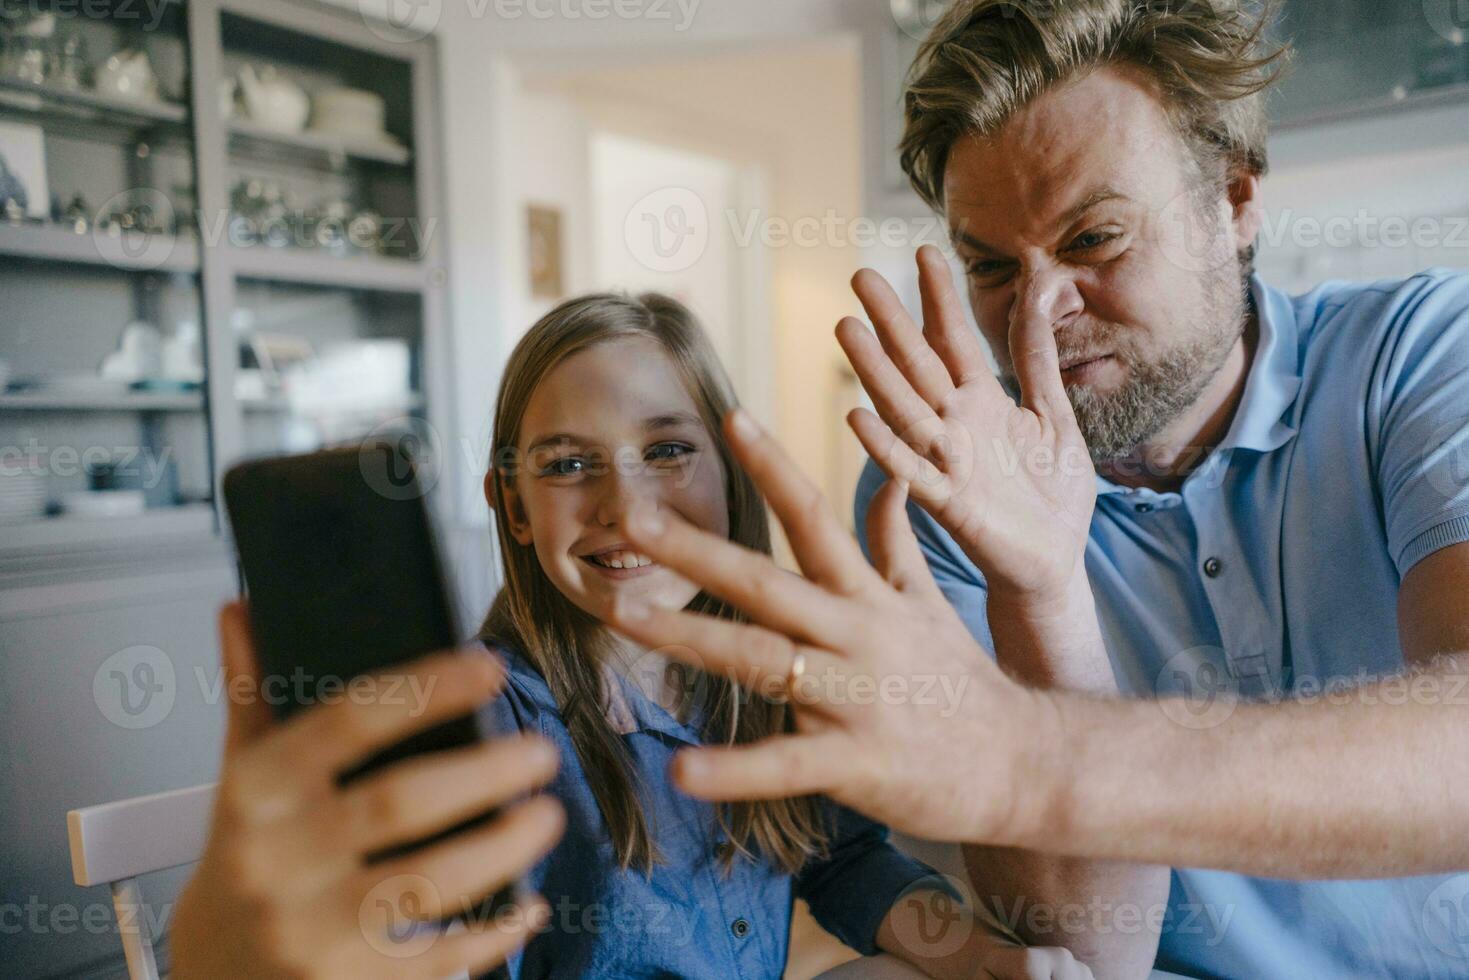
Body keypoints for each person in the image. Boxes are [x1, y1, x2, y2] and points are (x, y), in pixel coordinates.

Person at [601, 1, 1469, 978]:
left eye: (1093, 237)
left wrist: (1034, 756)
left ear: (1230, 201)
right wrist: (1039, 585)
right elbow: (1083, 950)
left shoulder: (1420, 353)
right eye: (989, 265)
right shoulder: (938, 486)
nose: (1040, 312)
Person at [473, 290, 1089, 978]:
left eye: (667, 449)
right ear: (514, 505)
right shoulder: (484, 721)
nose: (626, 509)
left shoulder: (771, 676)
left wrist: (977, 955)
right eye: (566, 464)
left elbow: (839, 856)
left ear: (734, 480)